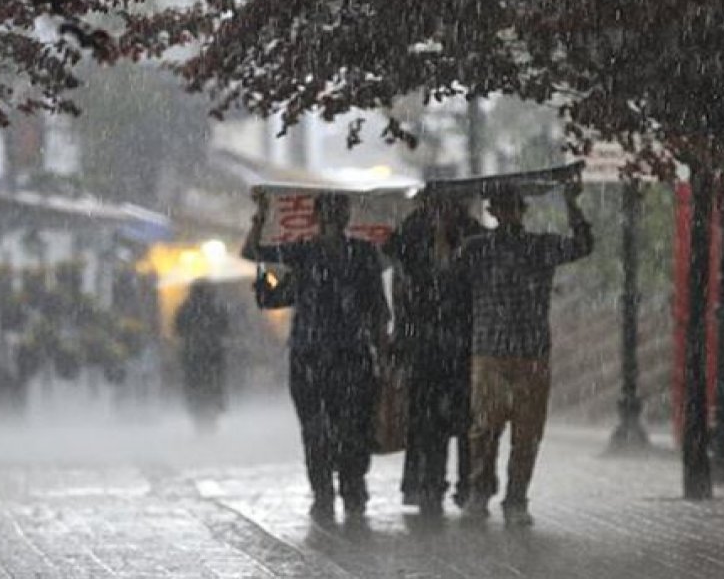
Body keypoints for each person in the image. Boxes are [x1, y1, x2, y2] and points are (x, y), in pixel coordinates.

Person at [242, 191, 390, 523]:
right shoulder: (303, 253)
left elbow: (377, 310)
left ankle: (350, 488)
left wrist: (382, 353)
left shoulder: (363, 254)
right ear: (320, 216)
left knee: (351, 427)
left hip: (349, 355)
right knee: (318, 429)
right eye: (332, 212)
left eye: (339, 212)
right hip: (312, 356)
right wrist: (261, 217)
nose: (335, 218)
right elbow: (253, 252)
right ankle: (326, 492)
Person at [456, 181, 594, 526]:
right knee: (484, 429)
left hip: (530, 352)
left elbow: (582, 245)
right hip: (490, 351)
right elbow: (445, 272)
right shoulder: (476, 248)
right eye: (501, 208)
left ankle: (516, 498)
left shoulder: (540, 246)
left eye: (513, 207)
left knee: (527, 432)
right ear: (492, 212)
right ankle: (480, 490)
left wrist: (572, 204)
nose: (508, 214)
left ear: (521, 211)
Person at [383, 191, 483, 517]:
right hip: (424, 343)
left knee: (466, 419)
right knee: (428, 420)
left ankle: (469, 486)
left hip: (463, 341)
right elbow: (398, 271)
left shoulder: (471, 234)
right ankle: (430, 485)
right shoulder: (412, 233)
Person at [174, 279, 230, 434]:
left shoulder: (186, 308)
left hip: (193, 356)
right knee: (213, 388)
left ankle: (199, 420)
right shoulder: (216, 307)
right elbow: (225, 327)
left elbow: (178, 329)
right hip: (213, 355)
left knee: (196, 389)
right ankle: (211, 419)